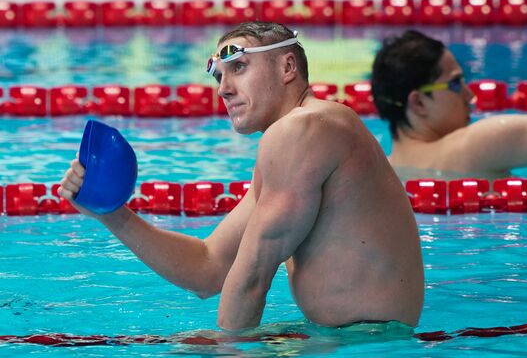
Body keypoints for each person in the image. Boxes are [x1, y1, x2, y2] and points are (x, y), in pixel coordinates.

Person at [58, 22, 424, 331]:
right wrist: (111, 213)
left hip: (370, 345)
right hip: (358, 340)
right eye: (219, 75)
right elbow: (208, 268)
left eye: (239, 67)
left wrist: (229, 352)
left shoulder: (305, 128)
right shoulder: (295, 142)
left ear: (287, 67)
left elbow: (251, 279)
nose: (224, 88)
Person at [371, 29, 527, 181]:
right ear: (419, 103)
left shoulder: (380, 176)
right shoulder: (474, 147)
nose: (470, 95)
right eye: (456, 83)